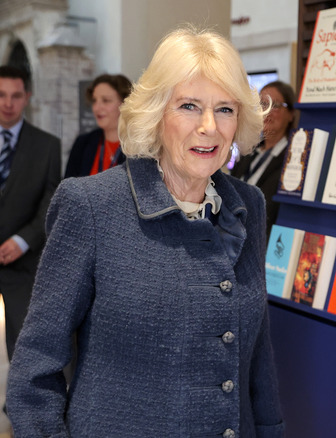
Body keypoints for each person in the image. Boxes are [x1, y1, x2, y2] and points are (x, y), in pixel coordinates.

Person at [7, 27, 284, 437]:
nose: (209, 126)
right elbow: (34, 371)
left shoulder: (248, 205)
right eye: (189, 106)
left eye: (225, 109)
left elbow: (256, 353)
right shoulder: (92, 206)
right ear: (156, 114)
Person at [0, 65, 61, 361]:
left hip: (22, 261)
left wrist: (23, 240)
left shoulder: (48, 146)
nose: (7, 103)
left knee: (24, 346)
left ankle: (21, 406)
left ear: (27, 97)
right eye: (1, 95)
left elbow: (49, 202)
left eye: (15, 95)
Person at [231, 80, 296, 237]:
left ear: (291, 114)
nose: (267, 111)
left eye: (275, 105)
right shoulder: (247, 152)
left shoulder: (293, 160)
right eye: (262, 104)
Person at [64, 73, 132, 178]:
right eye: (94, 101)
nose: (96, 108)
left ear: (125, 104)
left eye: (106, 101)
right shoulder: (82, 143)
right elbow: (68, 189)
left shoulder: (139, 148)